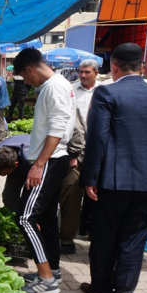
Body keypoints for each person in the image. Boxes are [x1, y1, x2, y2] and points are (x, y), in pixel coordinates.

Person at [80, 43, 147, 293]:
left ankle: (102, 288)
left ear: (114, 66)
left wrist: (90, 177)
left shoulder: (107, 92)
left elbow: (97, 139)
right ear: (142, 67)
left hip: (112, 180)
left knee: (105, 236)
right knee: (133, 240)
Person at [11, 48, 75, 293]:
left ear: (30, 69)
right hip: (53, 160)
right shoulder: (56, 84)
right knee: (47, 217)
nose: (27, 84)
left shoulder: (53, 86)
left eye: (25, 79)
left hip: (49, 160)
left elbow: (58, 128)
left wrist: (38, 165)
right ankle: (53, 270)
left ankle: (47, 279)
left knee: (25, 218)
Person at [57, 104, 87, 255]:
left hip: (72, 163)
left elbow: (78, 131)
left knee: (70, 203)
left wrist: (74, 155)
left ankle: (67, 242)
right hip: (64, 161)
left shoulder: (64, 105)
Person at [73, 59, 99, 124]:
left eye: (87, 72)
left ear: (96, 73)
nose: (83, 75)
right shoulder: (70, 89)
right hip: (76, 131)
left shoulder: (102, 89)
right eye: (81, 72)